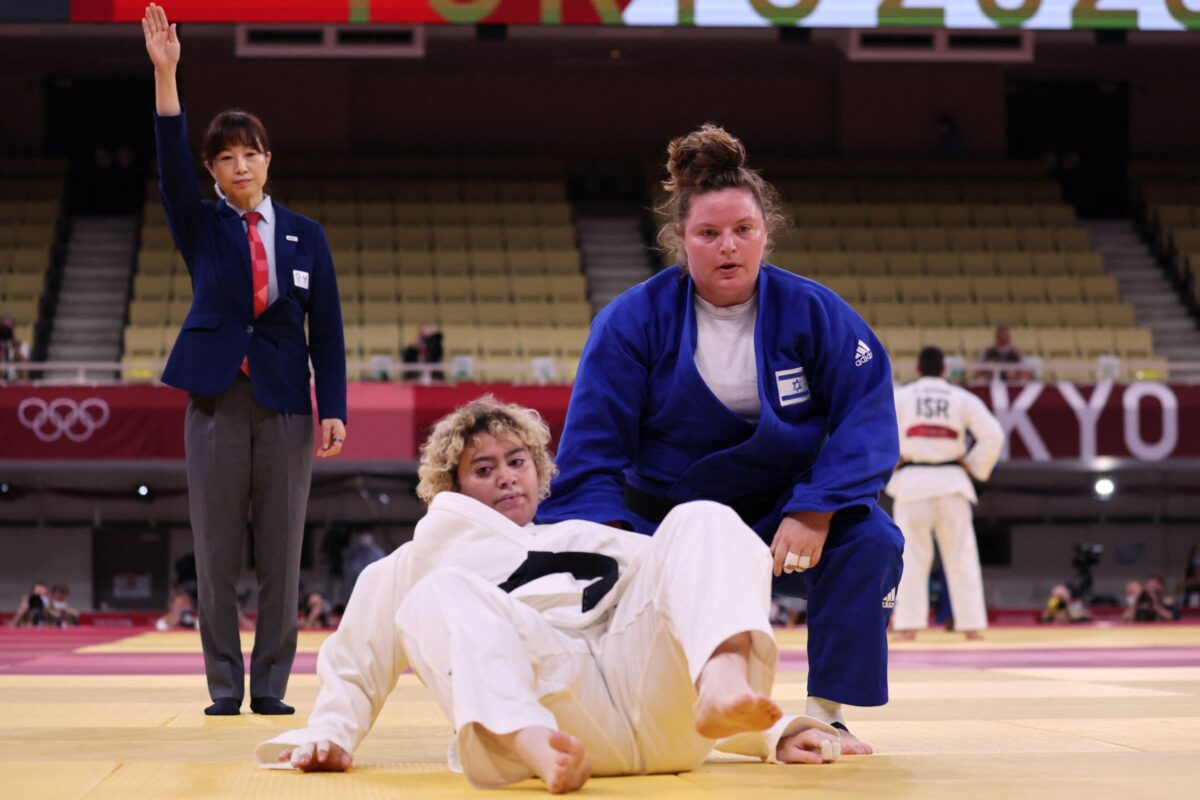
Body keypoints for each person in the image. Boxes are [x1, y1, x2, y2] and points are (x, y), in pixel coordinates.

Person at [256, 396, 843, 792]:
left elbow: (690, 597)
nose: (507, 476)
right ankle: (526, 737)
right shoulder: (419, 563)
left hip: (659, 707)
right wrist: (331, 737)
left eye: (517, 462)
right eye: (483, 469)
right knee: (440, 593)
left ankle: (721, 683)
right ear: (451, 487)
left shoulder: (589, 537)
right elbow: (356, 664)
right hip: (553, 714)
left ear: (539, 471)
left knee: (704, 520)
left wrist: (775, 731)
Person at [535, 124, 903, 754]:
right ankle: (636, 699)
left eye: (743, 231)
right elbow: (592, 454)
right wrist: (610, 544)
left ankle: (826, 713)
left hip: (781, 514)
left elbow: (865, 419)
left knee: (869, 538)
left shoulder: (816, 313)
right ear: (681, 239)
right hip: (668, 521)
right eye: (708, 233)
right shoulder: (630, 322)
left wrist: (816, 508)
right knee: (585, 572)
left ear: (767, 232)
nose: (727, 247)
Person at [143, 4, 347, 717]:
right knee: (218, 552)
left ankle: (270, 688)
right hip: (215, 397)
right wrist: (167, 76)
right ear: (213, 168)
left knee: (282, 553)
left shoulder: (305, 236)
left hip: (288, 403)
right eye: (225, 157)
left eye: (250, 152)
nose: (240, 165)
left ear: (267, 157)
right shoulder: (199, 224)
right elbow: (170, 165)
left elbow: (329, 328)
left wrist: (337, 410)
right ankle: (224, 688)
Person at [888, 346, 1005, 642]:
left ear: (917, 369)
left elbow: (876, 430)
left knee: (911, 557)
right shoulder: (961, 398)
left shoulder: (901, 396)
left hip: (913, 482)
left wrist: (893, 460)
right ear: (944, 370)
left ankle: (907, 626)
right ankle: (971, 625)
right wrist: (973, 465)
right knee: (961, 556)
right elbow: (994, 435)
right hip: (952, 481)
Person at [0, 312, 30, 381]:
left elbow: (25, 364)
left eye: (8, 328)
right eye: (4, 328)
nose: (6, 331)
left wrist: (14, 346)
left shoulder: (22, 345)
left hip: (16, 382)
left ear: (14, 327)